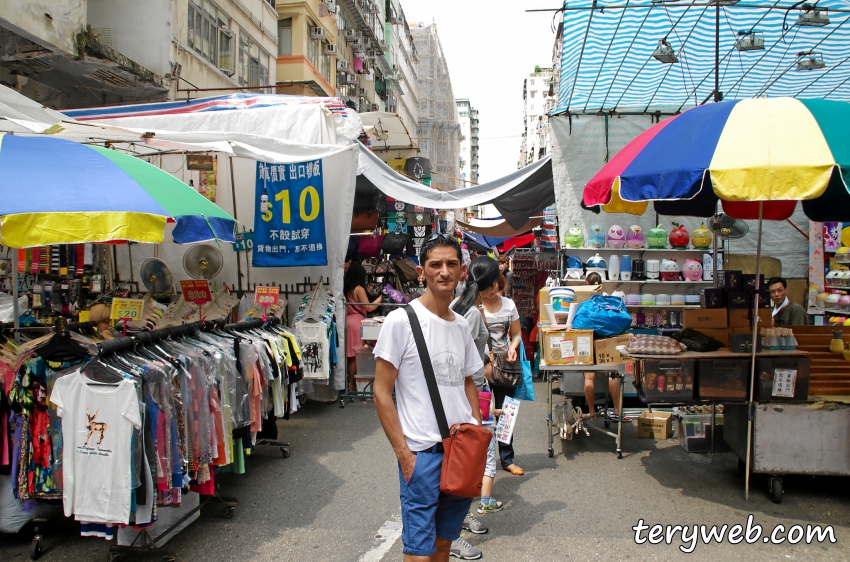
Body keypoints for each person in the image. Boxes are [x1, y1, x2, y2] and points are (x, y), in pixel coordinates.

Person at [373, 235, 484, 562]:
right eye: (435, 264)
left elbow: (468, 382)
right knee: (418, 554)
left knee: (443, 544)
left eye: (451, 264)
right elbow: (381, 392)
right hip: (421, 455)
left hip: (460, 452)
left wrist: (476, 429)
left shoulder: (462, 326)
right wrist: (404, 455)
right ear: (422, 272)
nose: (444, 271)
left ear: (462, 271)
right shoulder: (400, 321)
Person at [451, 256, 506, 541]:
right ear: (490, 283)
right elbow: (463, 360)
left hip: (467, 390)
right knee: (477, 454)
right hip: (471, 392)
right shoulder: (470, 313)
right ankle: (459, 519)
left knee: (465, 456)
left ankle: (460, 514)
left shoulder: (462, 305)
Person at [481, 269, 524, 476]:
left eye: (495, 285)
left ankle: (507, 459)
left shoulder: (509, 305)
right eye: (487, 286)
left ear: (500, 283)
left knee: (507, 411)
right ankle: (481, 461)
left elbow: (517, 334)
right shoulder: (475, 306)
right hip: (481, 365)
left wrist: (513, 346)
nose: (491, 290)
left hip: (506, 364)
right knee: (482, 413)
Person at [583, 273, 630, 422]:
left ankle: (591, 411)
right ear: (601, 283)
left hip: (588, 339)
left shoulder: (584, 297)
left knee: (589, 376)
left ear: (586, 282)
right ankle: (616, 410)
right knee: (612, 374)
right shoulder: (607, 297)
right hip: (607, 340)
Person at [344, 262, 383, 390]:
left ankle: (349, 384)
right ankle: (352, 384)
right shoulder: (358, 289)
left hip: (347, 322)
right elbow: (369, 307)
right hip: (357, 324)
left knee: (349, 356)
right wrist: (381, 298)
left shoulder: (346, 288)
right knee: (357, 356)